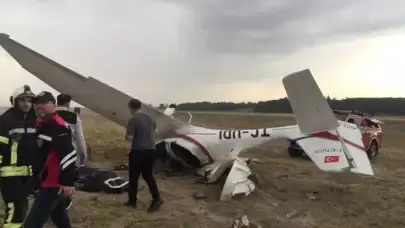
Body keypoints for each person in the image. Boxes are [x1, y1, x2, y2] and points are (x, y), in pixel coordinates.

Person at [23, 91, 77, 228]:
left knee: (32, 224)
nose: (38, 106)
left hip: (52, 184)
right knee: (60, 219)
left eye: (43, 103)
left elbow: (68, 153)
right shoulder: (42, 124)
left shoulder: (57, 126)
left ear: (53, 105)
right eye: (37, 104)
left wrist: (67, 181)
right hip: (46, 181)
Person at [0, 85, 37, 228]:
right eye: (23, 100)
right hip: (10, 176)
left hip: (27, 176)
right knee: (13, 212)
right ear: (15, 101)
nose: (27, 104)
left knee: (22, 211)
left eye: (29, 100)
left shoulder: (34, 120)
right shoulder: (5, 120)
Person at [125, 98, 163, 212]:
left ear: (131, 108)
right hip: (151, 150)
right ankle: (157, 198)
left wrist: (126, 136)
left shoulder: (133, 119)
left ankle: (132, 201)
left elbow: (130, 137)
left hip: (138, 151)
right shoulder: (150, 117)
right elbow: (156, 130)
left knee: (134, 177)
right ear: (140, 106)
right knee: (148, 175)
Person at [55, 93, 87, 166]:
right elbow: (80, 138)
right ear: (68, 103)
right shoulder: (74, 117)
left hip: (53, 151)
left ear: (57, 102)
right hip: (70, 152)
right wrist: (83, 153)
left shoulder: (51, 115)